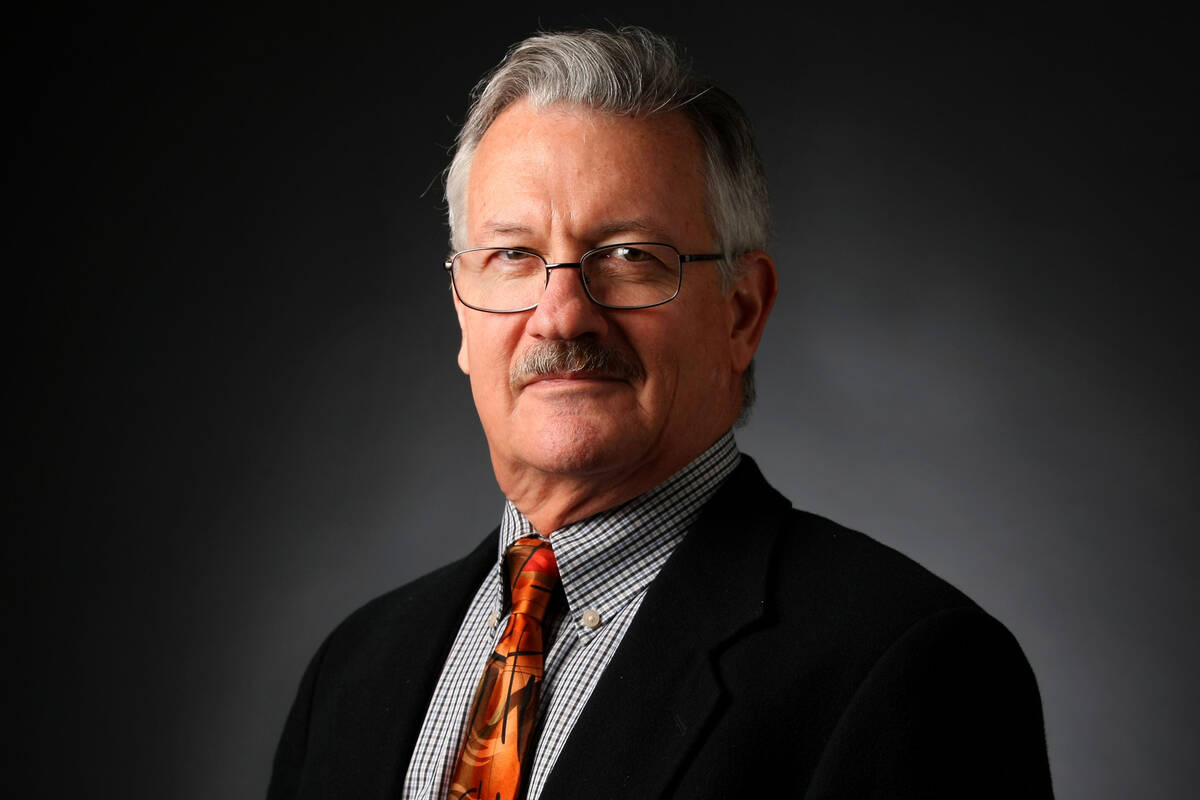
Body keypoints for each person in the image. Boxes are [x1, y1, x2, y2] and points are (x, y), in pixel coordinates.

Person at [267, 26, 1053, 799]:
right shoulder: (352, 672)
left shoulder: (910, 666)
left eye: (630, 255)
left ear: (742, 312)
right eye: (513, 255)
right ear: (462, 316)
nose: (562, 315)